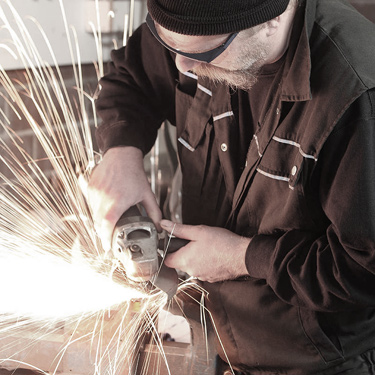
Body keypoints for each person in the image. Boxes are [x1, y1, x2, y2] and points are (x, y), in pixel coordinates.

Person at [88, 0, 375, 373]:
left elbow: (364, 266)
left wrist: (242, 257)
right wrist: (120, 153)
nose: (180, 65)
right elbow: (133, 78)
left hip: (321, 361)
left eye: (204, 53)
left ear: (272, 18)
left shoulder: (358, 97)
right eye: (168, 44)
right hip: (222, 342)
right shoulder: (191, 29)